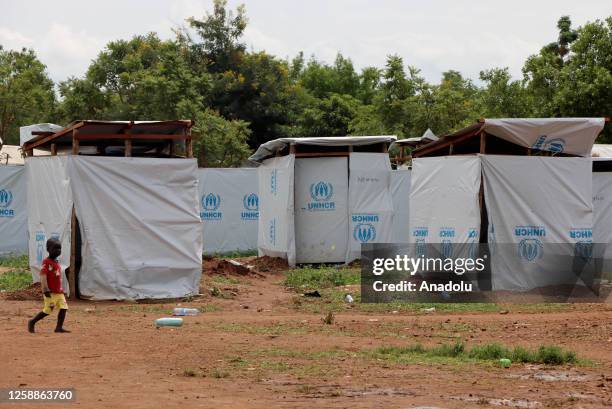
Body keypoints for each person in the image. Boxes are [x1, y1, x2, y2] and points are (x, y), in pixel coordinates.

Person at [27, 238, 70, 333]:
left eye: (59, 248)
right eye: (55, 248)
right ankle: (32, 321)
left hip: (59, 292)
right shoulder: (46, 262)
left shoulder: (56, 263)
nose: (58, 250)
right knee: (48, 310)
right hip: (50, 292)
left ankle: (58, 327)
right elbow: (43, 275)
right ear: (48, 249)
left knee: (64, 308)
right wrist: (45, 289)